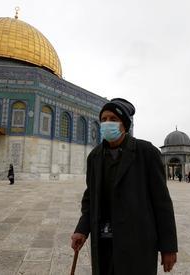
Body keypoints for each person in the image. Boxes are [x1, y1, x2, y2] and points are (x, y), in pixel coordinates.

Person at [71, 98, 178, 275]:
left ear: (124, 125)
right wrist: (81, 230)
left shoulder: (146, 152)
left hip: (137, 242)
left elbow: (162, 203)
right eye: (103, 119)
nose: (107, 123)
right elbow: (90, 198)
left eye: (113, 119)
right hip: (104, 243)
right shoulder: (95, 157)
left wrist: (168, 247)